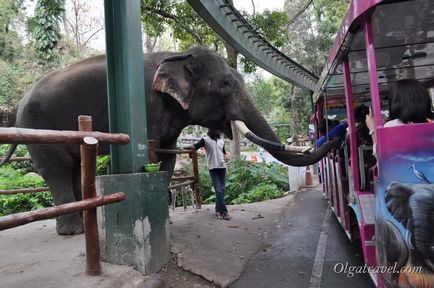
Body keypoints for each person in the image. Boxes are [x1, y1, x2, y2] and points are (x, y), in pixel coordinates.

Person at [365, 78, 433, 146]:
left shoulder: (391, 126)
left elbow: (382, 154)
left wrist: (372, 128)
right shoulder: (431, 124)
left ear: (396, 103)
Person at [192, 129, 230, 220]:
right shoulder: (205, 140)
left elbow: (224, 153)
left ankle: (218, 210)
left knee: (221, 190)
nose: (219, 131)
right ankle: (224, 212)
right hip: (213, 168)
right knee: (219, 190)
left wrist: (226, 156)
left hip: (222, 168)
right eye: (217, 129)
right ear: (211, 129)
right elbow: (194, 147)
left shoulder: (221, 141)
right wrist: (196, 153)